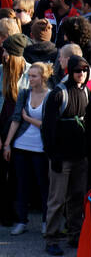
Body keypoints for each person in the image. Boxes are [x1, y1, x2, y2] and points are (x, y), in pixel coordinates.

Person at [42, 54, 91, 255]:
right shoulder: (58, 94)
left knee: (77, 197)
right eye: (77, 70)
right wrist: (52, 155)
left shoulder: (87, 93)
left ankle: (75, 234)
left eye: (84, 70)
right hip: (61, 158)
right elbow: (47, 128)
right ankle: (51, 238)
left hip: (80, 157)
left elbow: (89, 124)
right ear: (69, 72)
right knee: (56, 200)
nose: (81, 74)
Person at [3, 60, 51, 236]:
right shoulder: (24, 94)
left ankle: (46, 221)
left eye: (34, 76)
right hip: (21, 145)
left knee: (43, 186)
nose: (30, 79)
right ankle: (22, 220)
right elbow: (16, 119)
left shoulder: (50, 95)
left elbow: (47, 125)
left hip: (40, 148)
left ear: (43, 77)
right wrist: (7, 144)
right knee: (21, 185)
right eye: (29, 75)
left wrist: (29, 119)